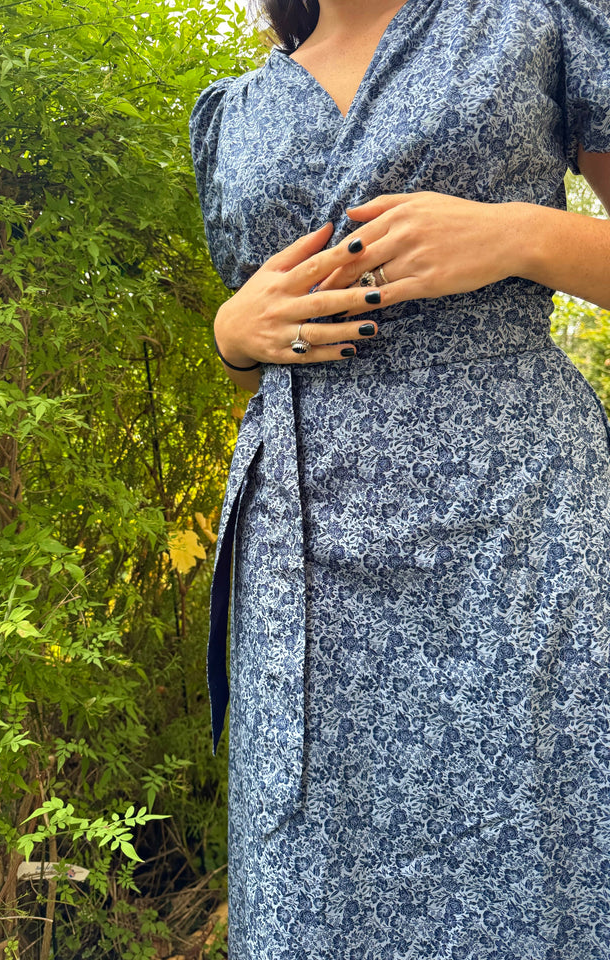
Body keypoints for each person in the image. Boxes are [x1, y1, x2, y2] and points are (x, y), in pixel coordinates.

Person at [189, 0, 610, 956]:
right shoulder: (235, 110)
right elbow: (271, 326)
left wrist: (521, 237)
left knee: (540, 848)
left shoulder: (530, 21)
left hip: (517, 523)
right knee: (315, 891)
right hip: (305, 554)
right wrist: (230, 334)